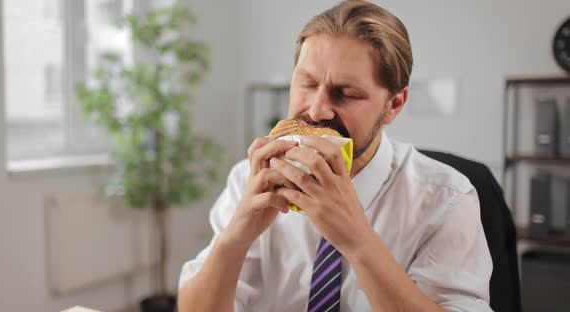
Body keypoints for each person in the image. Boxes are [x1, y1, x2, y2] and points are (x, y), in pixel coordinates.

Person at [178, 1, 492, 311]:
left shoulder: (447, 199)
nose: (317, 110)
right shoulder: (248, 179)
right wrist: (235, 238)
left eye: (346, 93)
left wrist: (358, 242)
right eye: (308, 83)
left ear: (393, 105)